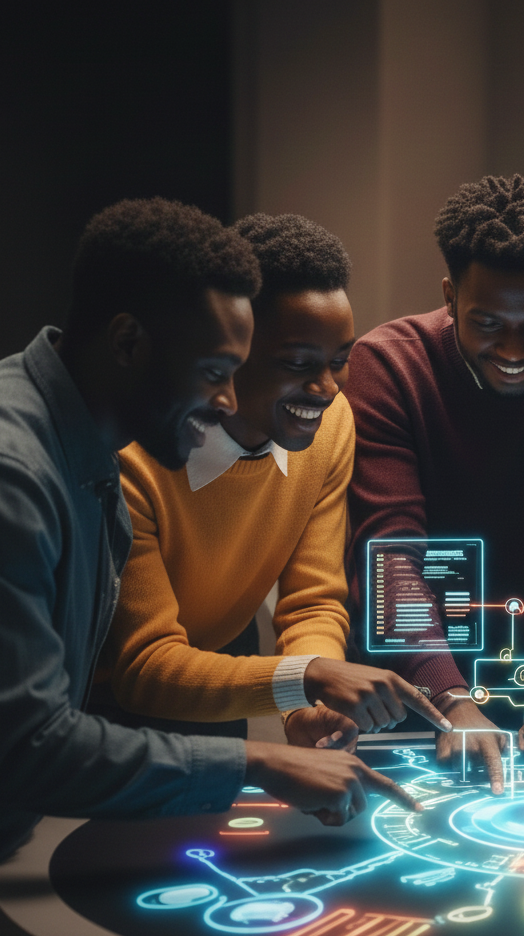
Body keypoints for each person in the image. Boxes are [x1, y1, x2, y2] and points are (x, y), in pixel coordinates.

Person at [0, 199, 421, 862]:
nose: (225, 401)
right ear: (128, 344)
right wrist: (263, 754)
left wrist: (301, 701)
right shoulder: (24, 475)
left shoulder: (85, 435)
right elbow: (33, 745)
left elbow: (312, 598)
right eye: (214, 372)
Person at [91, 213, 450, 748]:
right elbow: (144, 667)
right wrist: (306, 679)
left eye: (339, 360)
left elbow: (313, 602)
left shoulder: (331, 425)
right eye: (298, 363)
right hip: (96, 704)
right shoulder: (135, 457)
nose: (327, 389)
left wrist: (307, 708)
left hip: (219, 671)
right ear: (232, 350)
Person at [344, 175, 524, 791]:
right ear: (449, 297)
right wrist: (450, 700)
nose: (512, 348)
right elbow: (392, 556)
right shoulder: (388, 363)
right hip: (409, 685)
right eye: (488, 323)